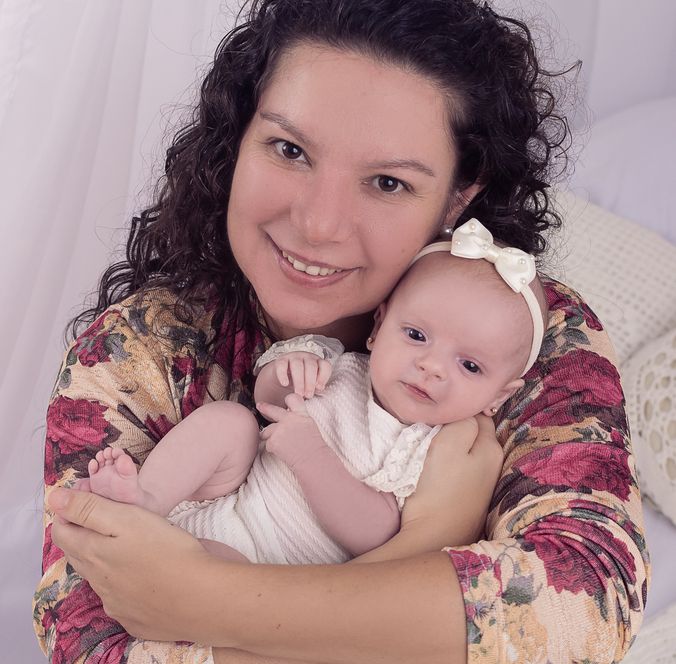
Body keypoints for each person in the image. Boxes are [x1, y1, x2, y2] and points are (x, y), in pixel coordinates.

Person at [36, 0, 649, 664]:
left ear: (459, 196)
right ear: (237, 138)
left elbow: (588, 603)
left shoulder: (530, 339)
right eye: (289, 150)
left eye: (388, 182)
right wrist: (433, 535)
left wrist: (205, 598)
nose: (319, 223)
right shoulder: (139, 351)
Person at [80, 223, 545, 566]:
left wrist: (311, 457)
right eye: (416, 336)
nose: (431, 366)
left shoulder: (433, 448)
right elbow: (267, 403)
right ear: (379, 326)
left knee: (217, 569)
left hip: (265, 569)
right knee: (230, 422)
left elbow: (377, 535)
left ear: (498, 396)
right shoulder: (338, 364)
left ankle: (152, 551)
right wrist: (287, 374)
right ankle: (147, 500)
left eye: (469, 366)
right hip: (223, 499)